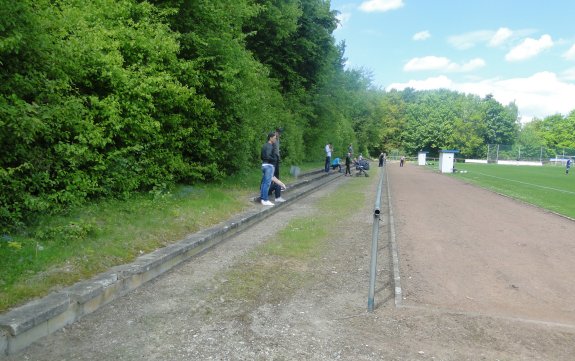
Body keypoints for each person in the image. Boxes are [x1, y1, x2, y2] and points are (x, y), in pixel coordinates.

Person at [260, 132, 284, 206]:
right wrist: (274, 159)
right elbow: (267, 156)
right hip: (268, 166)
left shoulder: (264, 145)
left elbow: (262, 156)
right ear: (270, 138)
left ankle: (263, 199)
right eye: (274, 138)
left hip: (264, 165)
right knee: (267, 184)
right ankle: (265, 200)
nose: (275, 139)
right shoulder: (270, 146)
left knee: (264, 183)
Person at [269, 128, 286, 202]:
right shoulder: (273, 138)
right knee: (272, 174)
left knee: (277, 174)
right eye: (279, 133)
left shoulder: (278, 139)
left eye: (280, 133)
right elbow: (271, 147)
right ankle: (271, 188)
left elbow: (277, 148)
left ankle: (277, 187)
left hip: (277, 157)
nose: (279, 134)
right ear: (276, 132)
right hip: (273, 158)